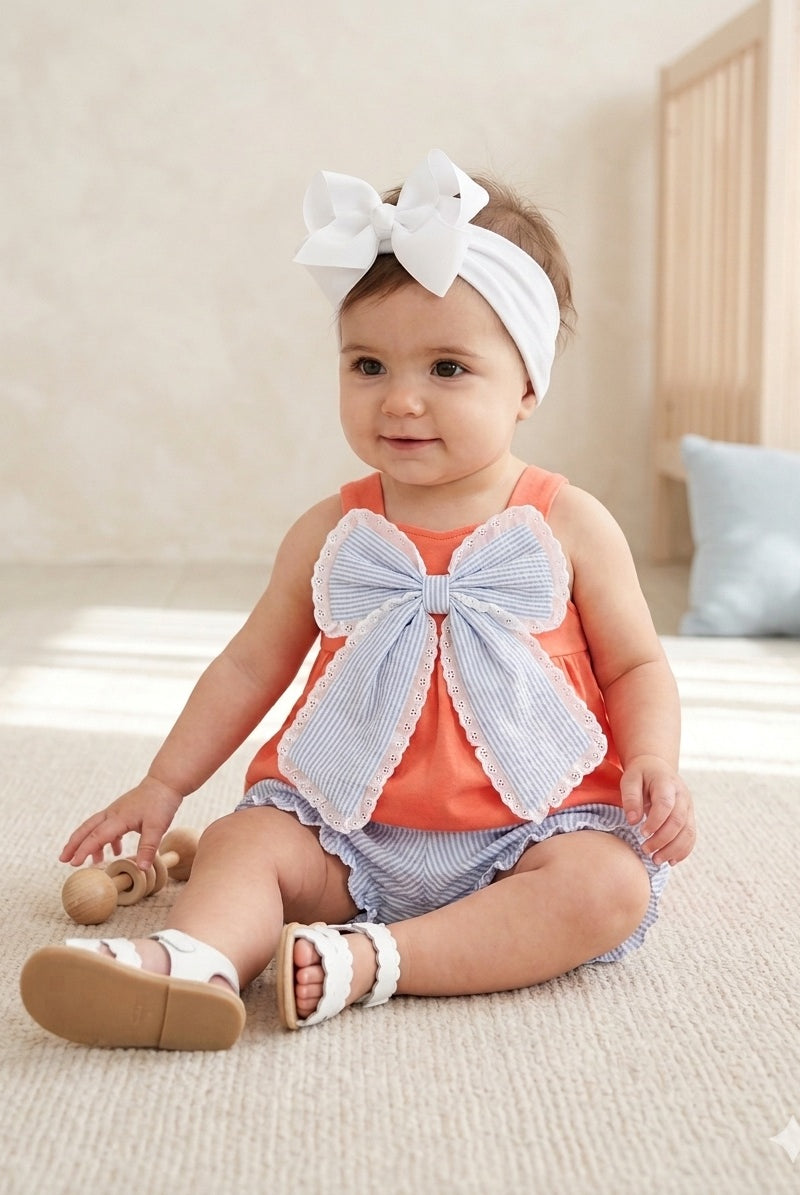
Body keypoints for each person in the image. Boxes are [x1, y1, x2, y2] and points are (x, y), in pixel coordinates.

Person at [20, 149, 695, 1050]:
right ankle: (198, 962)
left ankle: (376, 959)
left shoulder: (568, 522)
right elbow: (251, 662)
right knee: (241, 841)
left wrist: (654, 758)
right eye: (368, 364)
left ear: (527, 384)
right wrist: (164, 782)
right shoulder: (329, 530)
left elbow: (638, 662)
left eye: (448, 369)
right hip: (348, 826)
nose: (401, 400)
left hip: (528, 831)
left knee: (609, 887)